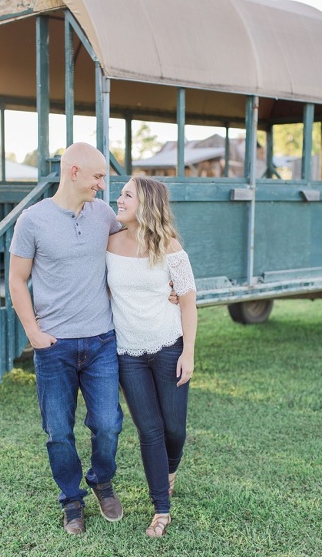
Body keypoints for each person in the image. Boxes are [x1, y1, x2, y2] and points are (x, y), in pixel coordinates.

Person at [8, 142, 124, 535]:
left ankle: (101, 481)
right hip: (54, 347)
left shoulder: (104, 215)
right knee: (59, 431)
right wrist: (33, 332)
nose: (102, 185)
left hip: (101, 342)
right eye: (97, 177)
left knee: (108, 424)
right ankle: (71, 499)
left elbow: (132, 252)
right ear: (73, 172)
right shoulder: (32, 220)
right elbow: (16, 279)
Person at [107, 174, 197, 537]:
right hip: (127, 353)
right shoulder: (108, 241)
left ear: (146, 203)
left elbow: (188, 301)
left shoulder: (170, 247)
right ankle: (162, 509)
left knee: (175, 428)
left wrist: (188, 352)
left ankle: (170, 469)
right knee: (150, 431)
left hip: (168, 347)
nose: (119, 199)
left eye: (127, 195)